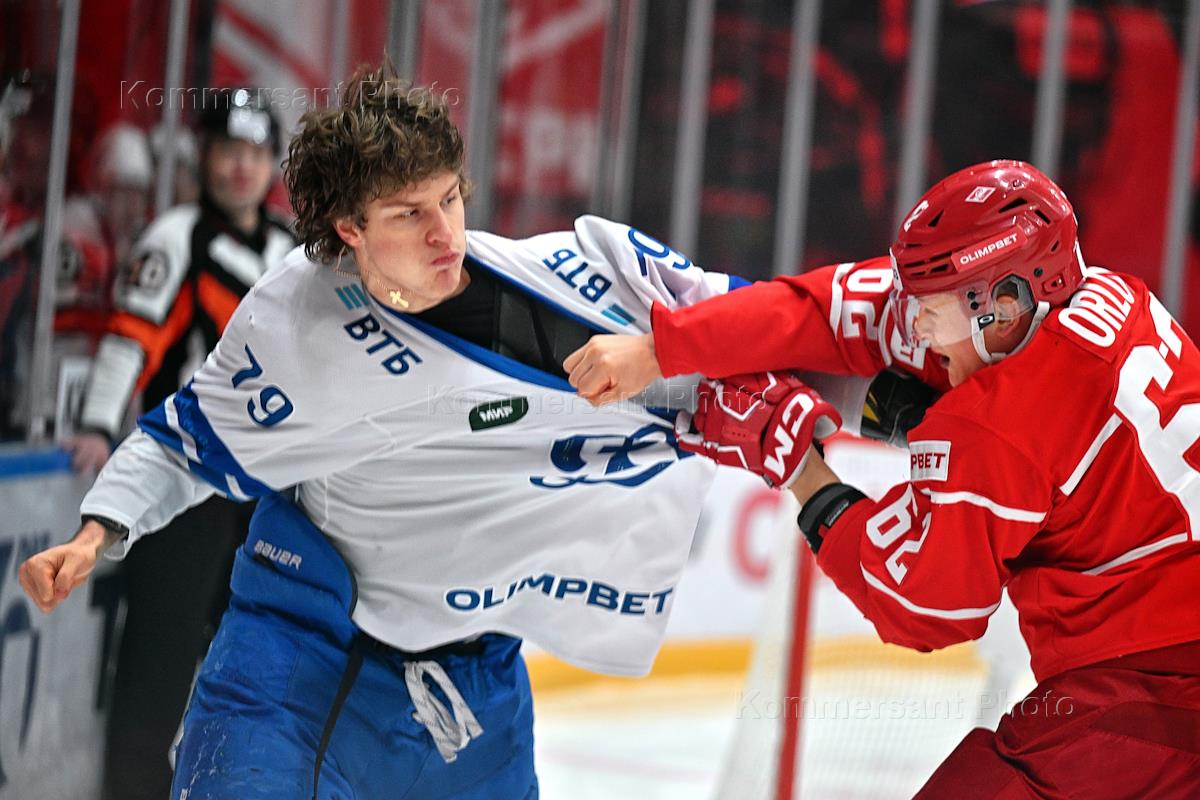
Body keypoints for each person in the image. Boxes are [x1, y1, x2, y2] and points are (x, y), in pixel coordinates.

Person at [19, 62, 739, 799]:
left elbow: (753, 319)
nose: (444, 234)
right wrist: (95, 533)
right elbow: (187, 440)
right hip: (299, 669)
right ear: (351, 230)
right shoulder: (298, 317)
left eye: (450, 199)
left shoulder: (571, 279)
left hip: (475, 697)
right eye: (407, 214)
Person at [565, 159, 1200, 796]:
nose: (915, 323)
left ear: (1002, 306)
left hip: (1155, 701)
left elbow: (922, 607)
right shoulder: (1109, 295)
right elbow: (836, 312)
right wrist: (661, 349)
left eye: (932, 304)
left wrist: (798, 464)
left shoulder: (1002, 425)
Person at [63, 88, 296, 800]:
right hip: (184, 482)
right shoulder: (176, 237)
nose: (241, 168)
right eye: (228, 151)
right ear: (202, 157)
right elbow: (129, 341)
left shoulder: (292, 251)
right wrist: (98, 425)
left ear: (272, 163)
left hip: (264, 493)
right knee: (159, 659)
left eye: (255, 153)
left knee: (251, 662)